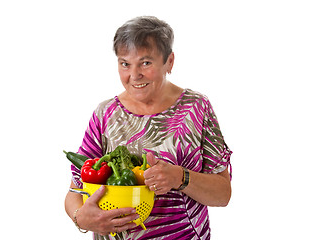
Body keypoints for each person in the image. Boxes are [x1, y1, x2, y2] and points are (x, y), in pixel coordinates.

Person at [64, 16, 232, 240]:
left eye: (145, 63)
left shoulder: (196, 108)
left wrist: (180, 177)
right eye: (125, 64)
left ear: (169, 62)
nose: (134, 75)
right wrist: (80, 217)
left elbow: (222, 194)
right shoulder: (105, 114)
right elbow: (75, 191)